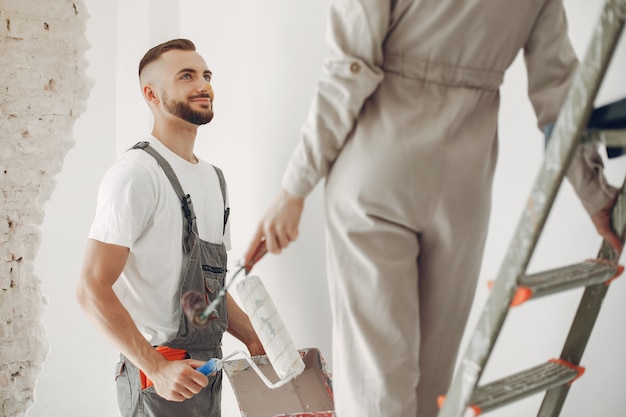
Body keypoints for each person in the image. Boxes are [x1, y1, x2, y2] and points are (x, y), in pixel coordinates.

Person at [244, 2, 623, 417]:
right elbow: (561, 97)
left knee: (376, 389)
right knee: (432, 387)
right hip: (464, 183)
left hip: (376, 172)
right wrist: (596, 194)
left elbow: (347, 70)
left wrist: (294, 189)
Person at [77, 38, 264, 417]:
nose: (203, 85)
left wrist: (257, 341)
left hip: (207, 374)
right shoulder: (135, 174)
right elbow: (90, 288)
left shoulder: (215, 180)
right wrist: (157, 368)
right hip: (158, 381)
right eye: (186, 76)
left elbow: (208, 293)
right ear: (152, 94)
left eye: (206, 75)